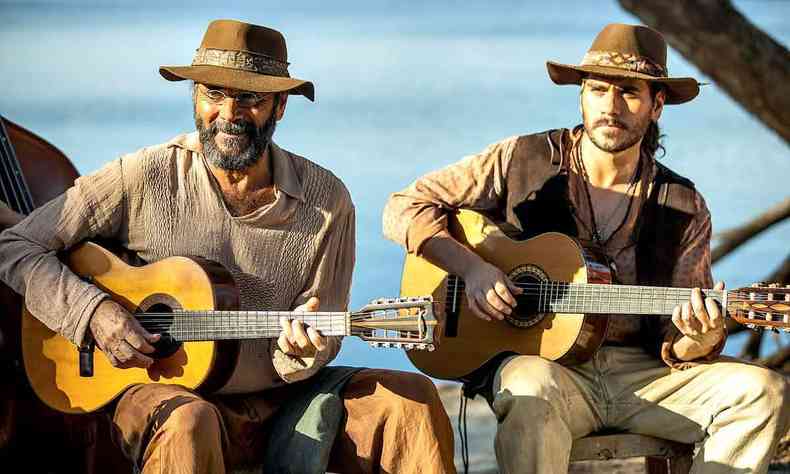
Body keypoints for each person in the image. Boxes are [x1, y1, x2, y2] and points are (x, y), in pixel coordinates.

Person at [0, 19, 455, 474]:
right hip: (167, 397)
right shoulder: (140, 175)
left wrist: (300, 353)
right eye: (213, 94)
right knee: (189, 421)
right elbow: (16, 246)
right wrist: (94, 312)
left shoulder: (327, 200)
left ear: (280, 107)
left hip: (284, 399)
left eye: (250, 98)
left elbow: (321, 338)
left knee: (410, 402)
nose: (229, 113)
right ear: (194, 96)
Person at [383, 23, 789, 474]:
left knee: (764, 392)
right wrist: (473, 269)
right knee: (530, 389)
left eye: (629, 93)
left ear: (656, 105)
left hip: (645, 374)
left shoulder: (684, 205)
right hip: (546, 368)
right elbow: (404, 207)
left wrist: (703, 336)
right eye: (597, 90)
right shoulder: (522, 159)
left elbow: (681, 346)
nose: (610, 107)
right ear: (581, 95)